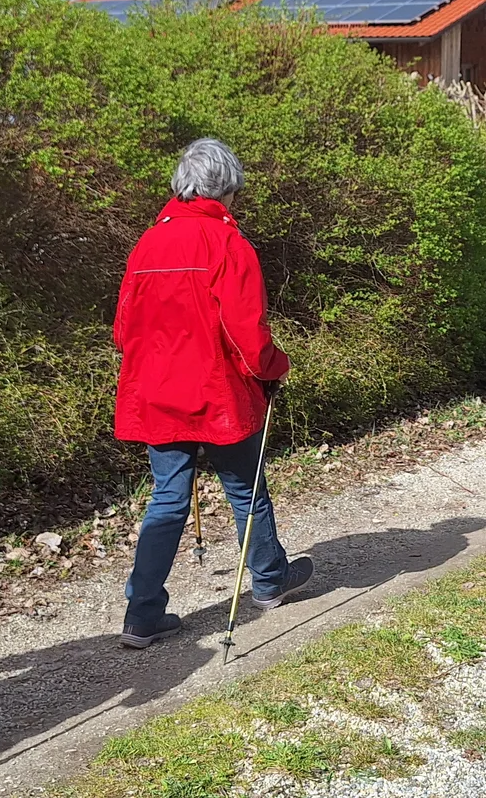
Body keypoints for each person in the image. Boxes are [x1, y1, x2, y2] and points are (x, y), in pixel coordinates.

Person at [111, 138, 312, 650]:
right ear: (227, 190)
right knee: (245, 490)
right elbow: (248, 334)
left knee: (167, 499)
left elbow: (122, 330)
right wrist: (274, 368)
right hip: (218, 392)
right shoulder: (228, 244)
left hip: (157, 393)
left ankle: (141, 614)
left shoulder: (147, 243)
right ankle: (269, 582)